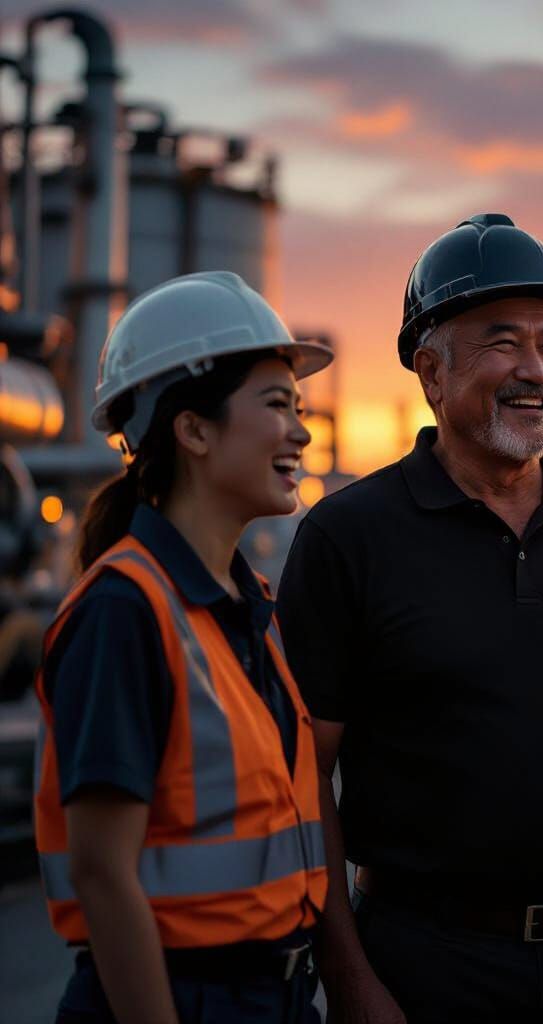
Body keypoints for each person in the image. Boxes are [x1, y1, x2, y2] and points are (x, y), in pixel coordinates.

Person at [277, 213, 543, 1024]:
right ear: (431, 371)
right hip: (424, 968)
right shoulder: (348, 537)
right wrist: (352, 977)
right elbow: (302, 780)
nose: (536, 369)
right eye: (503, 342)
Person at [33, 272, 333, 1024]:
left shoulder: (246, 605)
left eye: (299, 408)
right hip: (180, 996)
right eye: (275, 405)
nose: (301, 431)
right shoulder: (123, 612)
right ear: (193, 430)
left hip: (275, 994)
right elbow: (104, 874)